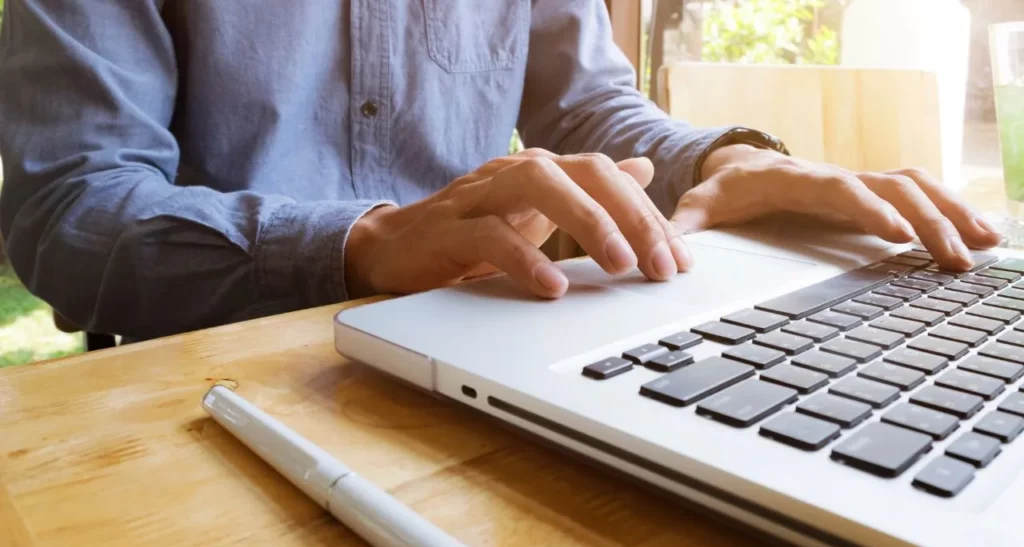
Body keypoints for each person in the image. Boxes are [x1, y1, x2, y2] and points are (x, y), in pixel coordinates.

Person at [0, 1, 1002, 341]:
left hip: (486, 344)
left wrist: (720, 161)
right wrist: (358, 244)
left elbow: (588, 105)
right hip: (197, 377)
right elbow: (66, 207)